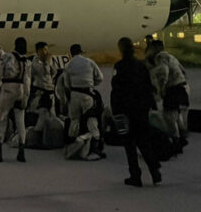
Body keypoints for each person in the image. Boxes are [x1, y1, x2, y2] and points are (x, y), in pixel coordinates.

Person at [111, 37, 161, 187]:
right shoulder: (141, 66)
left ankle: (135, 175)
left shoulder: (120, 67)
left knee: (129, 144)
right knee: (143, 141)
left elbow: (116, 90)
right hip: (141, 110)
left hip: (126, 111)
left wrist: (115, 111)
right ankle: (154, 170)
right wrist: (151, 105)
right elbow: (148, 86)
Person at [63, 44, 106, 158]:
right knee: (91, 119)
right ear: (81, 52)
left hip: (74, 95)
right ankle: (95, 145)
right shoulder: (89, 62)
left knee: (74, 120)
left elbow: (66, 84)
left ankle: (72, 144)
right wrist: (91, 84)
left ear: (71, 54)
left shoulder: (68, 65)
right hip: (87, 94)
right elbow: (100, 77)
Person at [147, 40, 189, 152]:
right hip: (182, 87)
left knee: (170, 117)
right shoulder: (172, 57)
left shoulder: (160, 57)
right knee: (177, 114)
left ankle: (176, 142)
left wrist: (162, 86)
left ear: (155, 49)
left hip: (173, 90)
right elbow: (183, 71)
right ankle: (183, 137)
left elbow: (163, 70)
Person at [0, 37, 31, 162]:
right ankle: (21, 151)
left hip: (7, 90)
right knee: (21, 122)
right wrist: (25, 97)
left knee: (2, 119)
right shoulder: (26, 61)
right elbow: (27, 81)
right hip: (20, 91)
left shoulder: (7, 57)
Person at [29, 41, 57, 132]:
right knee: (42, 115)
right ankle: (37, 133)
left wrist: (49, 64)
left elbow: (53, 72)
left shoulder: (49, 61)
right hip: (40, 92)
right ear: (39, 51)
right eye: (44, 50)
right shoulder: (35, 62)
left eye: (47, 50)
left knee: (52, 115)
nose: (46, 52)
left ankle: (50, 134)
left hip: (50, 92)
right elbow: (41, 72)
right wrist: (46, 63)